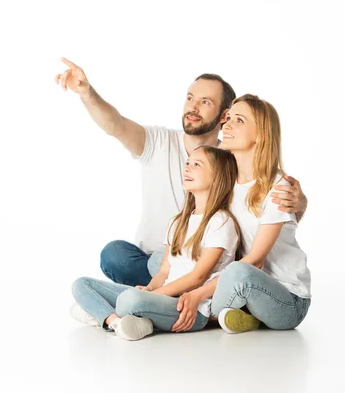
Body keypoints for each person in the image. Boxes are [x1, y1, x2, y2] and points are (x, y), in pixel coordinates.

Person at [55, 58, 308, 285]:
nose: (193, 107)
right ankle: (169, 293)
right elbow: (115, 124)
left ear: (224, 116)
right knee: (116, 256)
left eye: (205, 102)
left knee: (206, 266)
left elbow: (266, 195)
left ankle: (163, 297)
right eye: (190, 98)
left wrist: (299, 203)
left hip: (204, 260)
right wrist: (87, 93)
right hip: (153, 259)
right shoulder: (157, 141)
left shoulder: (233, 158)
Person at [171, 94, 311, 335]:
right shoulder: (226, 180)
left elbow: (254, 261)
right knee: (163, 259)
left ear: (260, 134)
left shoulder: (277, 188)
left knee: (238, 271)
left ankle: (190, 312)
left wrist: (198, 292)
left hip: (286, 299)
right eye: (228, 119)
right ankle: (236, 315)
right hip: (238, 285)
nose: (227, 125)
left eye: (239, 120)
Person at [71, 146, 239, 340]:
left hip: (190, 308)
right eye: (187, 163)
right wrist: (150, 289)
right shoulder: (178, 222)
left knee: (129, 300)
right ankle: (115, 322)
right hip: (162, 298)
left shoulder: (220, 222)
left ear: (218, 176)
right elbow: (164, 271)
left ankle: (99, 312)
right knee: (81, 285)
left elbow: (197, 277)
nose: (187, 169)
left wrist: (154, 295)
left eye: (196, 165)